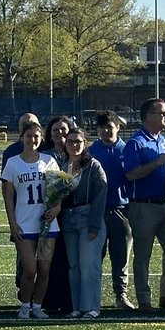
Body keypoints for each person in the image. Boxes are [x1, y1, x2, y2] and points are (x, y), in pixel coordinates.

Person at [123, 98, 165, 312]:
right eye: (162, 113)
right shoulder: (136, 142)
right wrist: (157, 162)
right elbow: (130, 174)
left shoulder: (161, 140)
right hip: (143, 206)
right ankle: (144, 300)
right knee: (143, 254)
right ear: (149, 116)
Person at [1, 121, 60, 321]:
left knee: (44, 269)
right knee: (29, 269)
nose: (32, 140)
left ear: (41, 138)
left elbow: (58, 188)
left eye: (36, 136)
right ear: (22, 138)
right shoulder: (13, 163)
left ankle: (37, 306)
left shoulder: (49, 161)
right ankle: (24, 306)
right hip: (24, 223)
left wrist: (57, 207)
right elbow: (8, 196)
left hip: (46, 224)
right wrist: (12, 223)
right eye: (28, 136)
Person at [59, 127, 107, 318]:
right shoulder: (60, 165)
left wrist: (94, 225)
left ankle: (91, 307)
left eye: (78, 141)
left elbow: (100, 195)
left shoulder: (93, 165)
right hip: (68, 219)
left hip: (88, 218)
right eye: (70, 141)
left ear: (85, 143)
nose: (74, 145)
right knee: (74, 267)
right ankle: (76, 307)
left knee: (89, 265)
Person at [89, 111, 134, 311]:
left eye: (110, 126)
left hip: (120, 209)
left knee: (121, 255)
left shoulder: (127, 149)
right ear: (97, 130)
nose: (106, 130)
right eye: (102, 127)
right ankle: (92, 296)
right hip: (95, 211)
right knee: (94, 256)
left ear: (118, 127)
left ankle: (121, 294)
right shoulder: (90, 151)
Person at [40, 116, 74, 315]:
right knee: (49, 260)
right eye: (55, 130)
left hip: (70, 212)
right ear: (49, 134)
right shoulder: (43, 156)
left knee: (68, 258)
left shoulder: (77, 155)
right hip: (49, 213)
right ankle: (50, 299)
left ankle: (69, 300)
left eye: (63, 129)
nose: (60, 134)